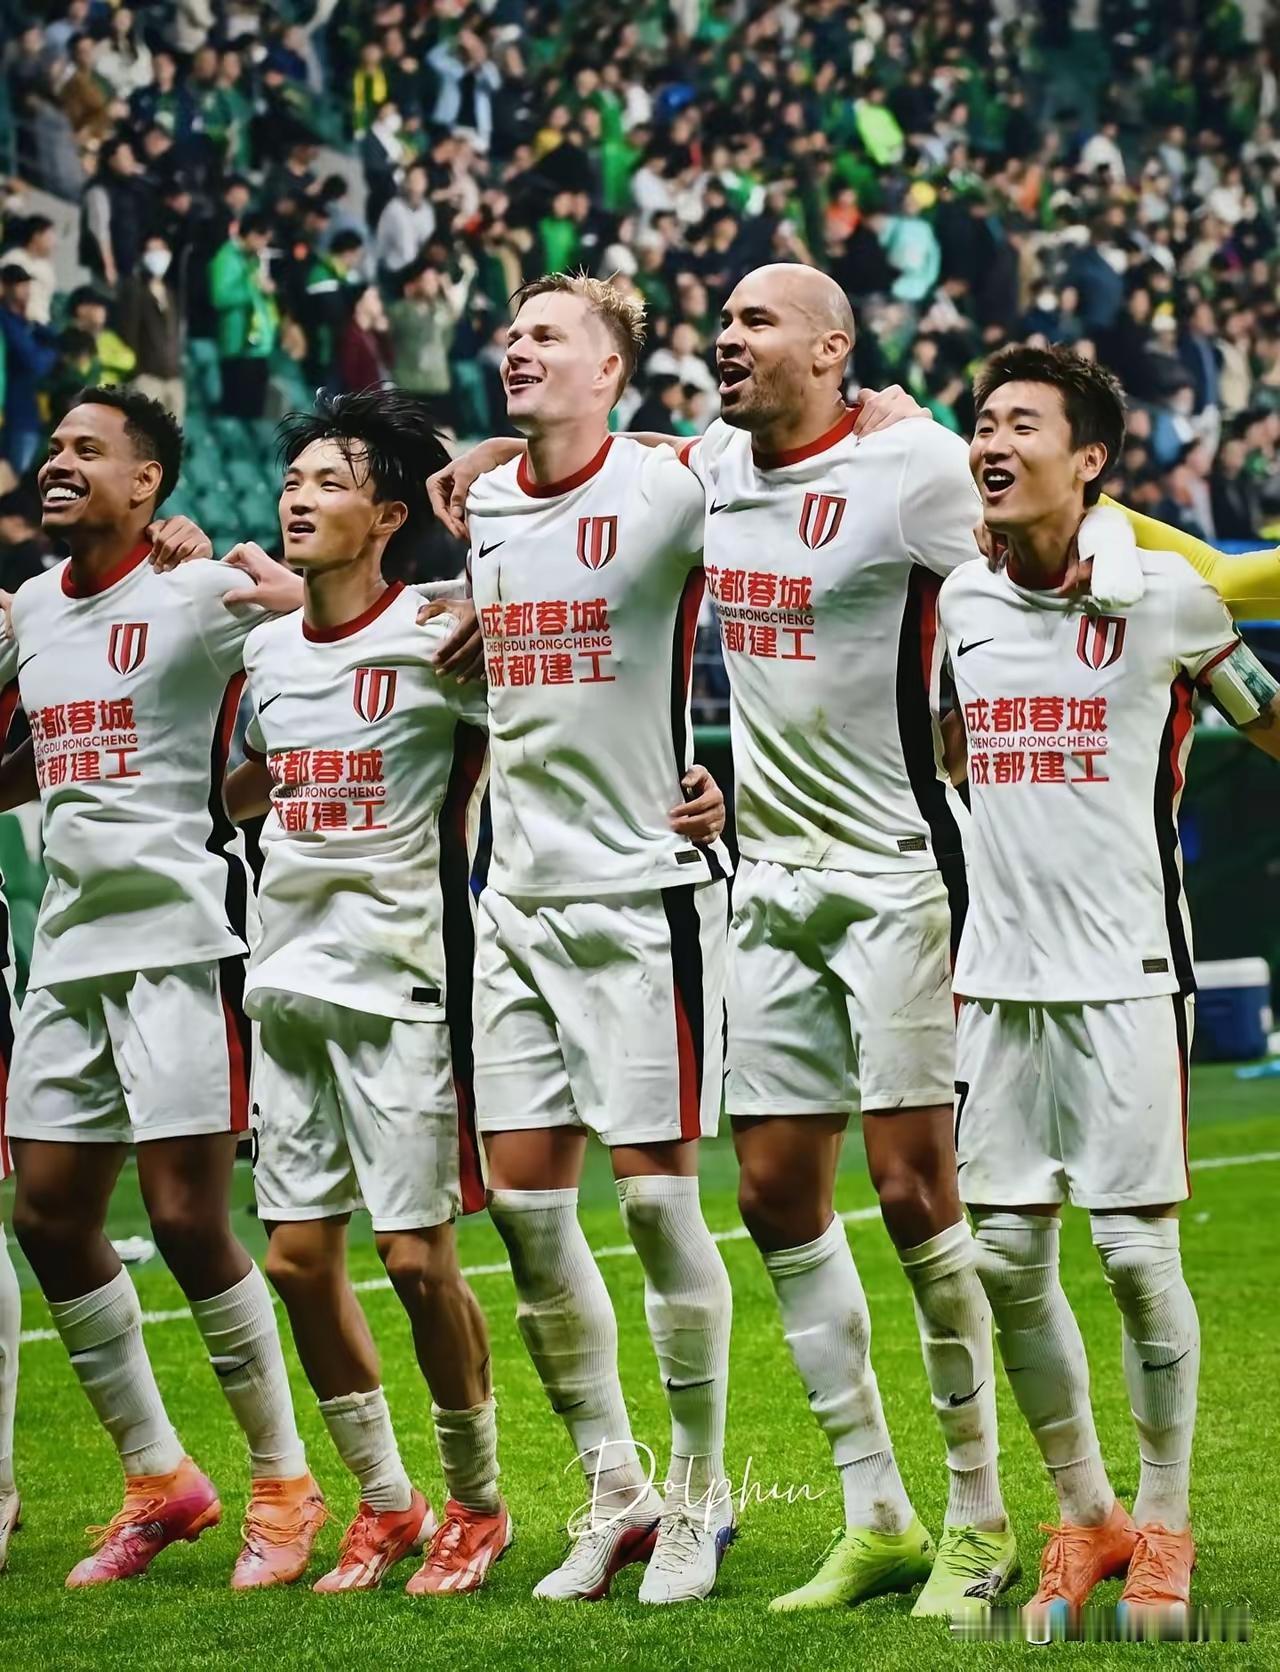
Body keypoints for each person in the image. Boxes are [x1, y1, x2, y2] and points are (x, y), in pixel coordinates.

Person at [941, 343, 1280, 1626]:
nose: (990, 441)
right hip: (995, 980)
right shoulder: (960, 599)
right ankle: (1084, 1517)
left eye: (1020, 423)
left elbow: (1263, 714)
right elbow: (949, 749)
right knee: (1004, 1257)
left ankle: (1166, 1523)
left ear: (1087, 459)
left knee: (1136, 1257)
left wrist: (1131, 557)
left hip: (1128, 974)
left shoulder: (1168, 602)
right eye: (982, 421)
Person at [0, 387, 322, 1590]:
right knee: (47, 1219)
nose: (59, 461)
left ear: (148, 483)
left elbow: (330, 632)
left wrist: (255, 577)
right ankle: (158, 1477)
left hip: (184, 942)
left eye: (89, 449)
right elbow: (39, 757)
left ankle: (283, 1485)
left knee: (187, 1219)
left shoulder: (196, 597)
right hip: (67, 950)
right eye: (54, 447)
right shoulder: (33, 608)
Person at [463, 274, 738, 1605]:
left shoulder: (674, 484)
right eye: (511, 331)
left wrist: (736, 782)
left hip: (642, 897)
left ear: (611, 370)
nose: (518, 347)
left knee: (654, 1202)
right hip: (513, 901)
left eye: (548, 335)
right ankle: (614, 1489)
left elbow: (805, 568)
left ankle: (700, 1495)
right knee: (525, 1217)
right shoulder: (481, 503)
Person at [213, 388, 513, 1594]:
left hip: (405, 983)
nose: (299, 497)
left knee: (416, 1259)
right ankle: (385, 1504)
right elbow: (251, 778)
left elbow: (548, 724)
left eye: (330, 481)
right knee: (294, 1261)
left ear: (387, 515)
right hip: (284, 985)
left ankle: (476, 1506)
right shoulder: (267, 652)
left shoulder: (440, 635)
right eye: (292, 478)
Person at [209, 213, 278, 419]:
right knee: (238, 411)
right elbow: (220, 297)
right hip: (238, 346)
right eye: (263, 239)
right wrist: (252, 288)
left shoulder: (254, 259)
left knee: (255, 411)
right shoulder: (226, 258)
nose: (264, 245)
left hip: (258, 346)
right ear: (251, 234)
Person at [117, 233, 184, 421]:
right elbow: (128, 332)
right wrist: (137, 371)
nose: (157, 255)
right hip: (147, 376)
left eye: (161, 249)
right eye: (151, 250)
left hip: (173, 376)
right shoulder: (135, 289)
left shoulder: (170, 292)